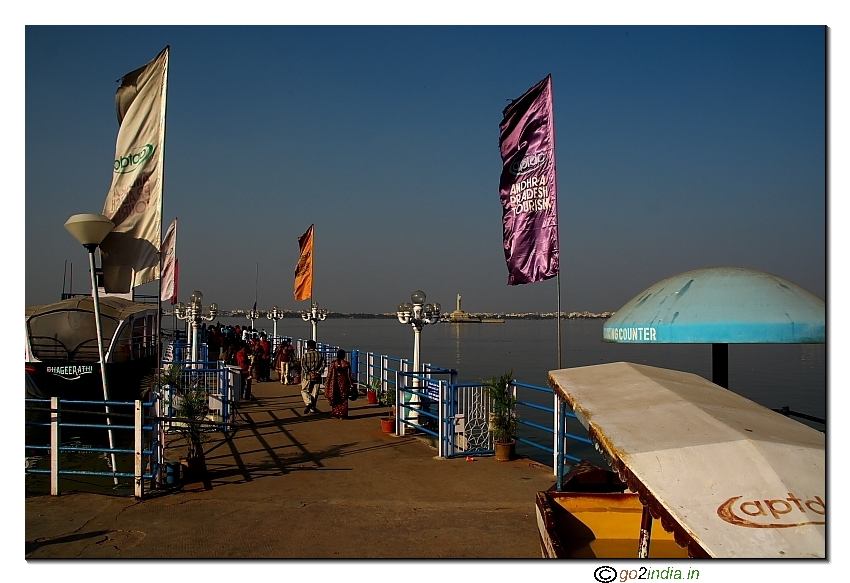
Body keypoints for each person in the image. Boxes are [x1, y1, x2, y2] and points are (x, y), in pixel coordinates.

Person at [324, 349, 355, 419]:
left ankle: (336, 413)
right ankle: (343, 414)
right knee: (344, 398)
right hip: (344, 382)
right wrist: (351, 384)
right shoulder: (347, 363)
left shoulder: (333, 363)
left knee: (336, 397)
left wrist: (327, 383)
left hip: (335, 382)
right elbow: (349, 375)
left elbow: (329, 374)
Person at [300, 340, 326, 414]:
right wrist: (317, 372)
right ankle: (313, 408)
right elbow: (323, 364)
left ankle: (308, 403)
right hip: (317, 377)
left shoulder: (305, 355)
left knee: (304, 390)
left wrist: (309, 372)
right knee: (315, 393)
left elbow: (303, 365)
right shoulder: (320, 355)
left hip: (308, 377)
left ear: (308, 346)